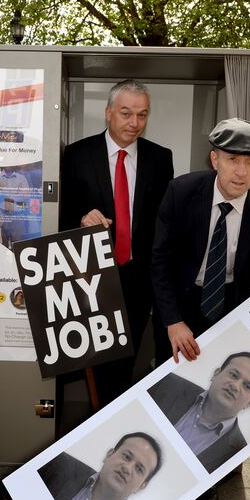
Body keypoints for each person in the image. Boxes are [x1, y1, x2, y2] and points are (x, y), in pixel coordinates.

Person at [149, 118, 250, 500]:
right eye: (233, 160)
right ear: (215, 159)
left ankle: (213, 472)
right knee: (175, 390)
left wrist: (245, 330)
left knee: (228, 397)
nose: (242, 171)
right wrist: (172, 321)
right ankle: (172, 467)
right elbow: (160, 260)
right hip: (184, 301)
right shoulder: (182, 191)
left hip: (231, 303)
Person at [59, 79, 174, 405]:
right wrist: (82, 219)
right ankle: (99, 419)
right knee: (94, 360)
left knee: (128, 358)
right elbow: (61, 214)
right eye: (126, 113)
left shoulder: (160, 158)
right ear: (108, 112)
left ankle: (112, 420)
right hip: (91, 276)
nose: (134, 123)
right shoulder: (77, 154)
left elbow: (164, 223)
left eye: (142, 115)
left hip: (139, 279)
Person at [148, 352, 250, 473]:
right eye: (233, 375)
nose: (235, 386)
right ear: (216, 374)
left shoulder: (237, 452)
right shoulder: (167, 384)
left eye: (247, 386)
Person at [38, 432, 162, 500]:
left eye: (139, 469)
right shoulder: (57, 464)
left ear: (142, 486)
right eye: (127, 457)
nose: (128, 468)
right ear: (109, 455)